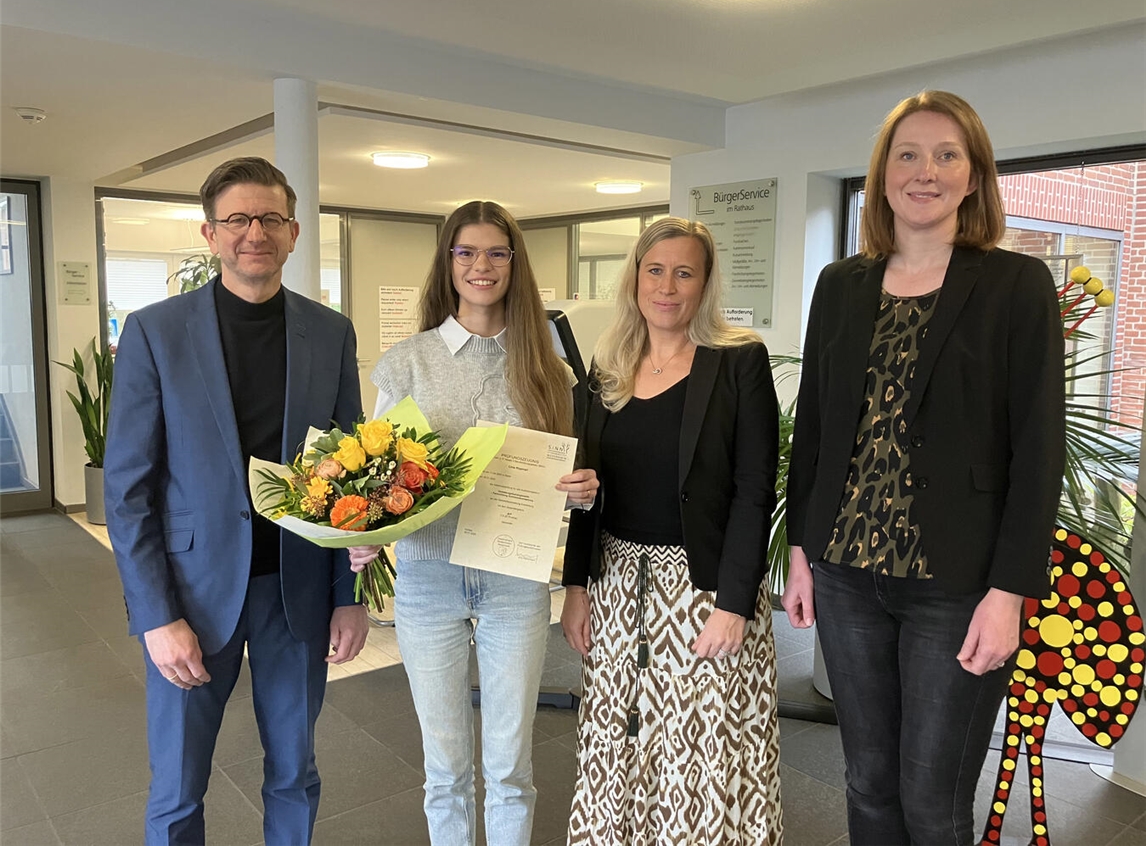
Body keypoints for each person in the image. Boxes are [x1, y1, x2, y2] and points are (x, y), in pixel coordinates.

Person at [782, 91, 1066, 845]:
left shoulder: (1015, 285)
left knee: (932, 799)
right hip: (846, 572)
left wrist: (1010, 592)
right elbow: (813, 428)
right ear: (881, 175)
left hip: (958, 583)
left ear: (974, 177)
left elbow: (1039, 448)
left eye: (946, 155)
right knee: (868, 783)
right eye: (907, 154)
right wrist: (802, 553)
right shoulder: (841, 285)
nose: (925, 171)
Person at [104, 157, 369, 845]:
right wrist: (156, 615)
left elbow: (350, 478)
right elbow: (128, 489)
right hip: (190, 594)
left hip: (297, 591)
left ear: (294, 231)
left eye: (270, 218)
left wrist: (348, 593)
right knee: (178, 786)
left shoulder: (330, 333)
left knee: (294, 771)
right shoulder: (155, 332)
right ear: (210, 233)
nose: (255, 231)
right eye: (238, 219)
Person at [355, 200, 598, 846]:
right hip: (429, 579)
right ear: (448, 262)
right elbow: (379, 472)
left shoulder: (550, 370)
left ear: (515, 265)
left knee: (511, 766)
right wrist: (365, 532)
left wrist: (581, 491)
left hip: (516, 581)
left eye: (496, 252)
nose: (481, 265)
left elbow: (569, 473)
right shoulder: (406, 363)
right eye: (466, 252)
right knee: (445, 768)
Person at [560, 217, 783, 844]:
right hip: (616, 586)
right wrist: (576, 586)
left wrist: (734, 605)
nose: (667, 286)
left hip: (701, 591)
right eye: (654, 270)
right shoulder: (608, 366)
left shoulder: (738, 360)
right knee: (615, 742)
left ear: (705, 283)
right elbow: (588, 486)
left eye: (684, 272)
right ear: (634, 279)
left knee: (698, 751)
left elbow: (753, 489)